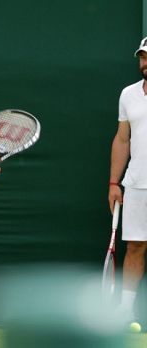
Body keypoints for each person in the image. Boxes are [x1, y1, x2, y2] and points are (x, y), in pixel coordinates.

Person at [108, 37, 147, 323]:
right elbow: (123, 140)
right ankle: (123, 313)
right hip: (136, 184)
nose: (145, 64)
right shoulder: (128, 94)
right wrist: (114, 182)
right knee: (135, 246)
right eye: (143, 58)